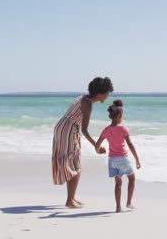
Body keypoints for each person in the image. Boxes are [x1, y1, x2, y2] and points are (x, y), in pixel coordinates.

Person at [52, 77, 113, 208]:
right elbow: (84, 130)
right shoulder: (87, 103)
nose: (108, 96)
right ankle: (70, 200)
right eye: (107, 93)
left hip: (65, 128)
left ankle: (71, 198)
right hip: (68, 130)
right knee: (75, 164)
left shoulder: (85, 98)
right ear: (100, 93)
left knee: (73, 163)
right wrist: (96, 146)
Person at [95, 99, 141, 212]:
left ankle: (118, 207)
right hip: (123, 159)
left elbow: (97, 145)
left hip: (112, 160)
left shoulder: (106, 130)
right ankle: (129, 202)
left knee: (118, 184)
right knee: (132, 178)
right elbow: (130, 144)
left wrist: (99, 150)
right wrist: (137, 159)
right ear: (120, 116)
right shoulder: (123, 129)